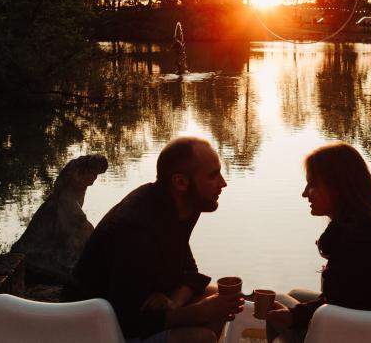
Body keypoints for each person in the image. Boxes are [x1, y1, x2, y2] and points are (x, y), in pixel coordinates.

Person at [66, 137, 242, 343]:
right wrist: (197, 312)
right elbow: (127, 321)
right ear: (181, 182)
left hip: (137, 312)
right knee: (200, 337)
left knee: (219, 299)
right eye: (213, 175)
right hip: (94, 329)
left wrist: (175, 303)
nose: (223, 183)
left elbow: (189, 271)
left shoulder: (184, 204)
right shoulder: (134, 229)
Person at [267, 142, 371, 342]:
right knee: (294, 294)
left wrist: (293, 317)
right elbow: (355, 295)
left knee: (275, 307)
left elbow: (341, 307)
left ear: (336, 187)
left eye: (312, 184)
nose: (304, 193)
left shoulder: (353, 238)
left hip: (362, 332)